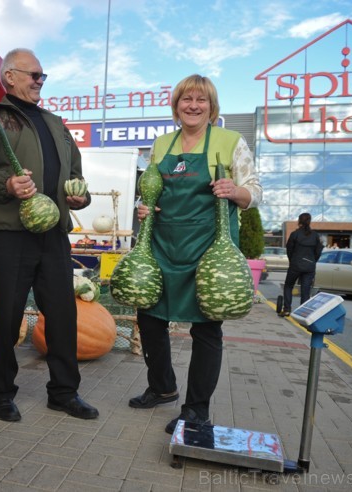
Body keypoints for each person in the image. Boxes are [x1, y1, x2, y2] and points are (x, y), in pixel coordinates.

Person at [0, 48, 99, 422]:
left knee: (63, 314)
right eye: (34, 75)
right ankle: (0, 392)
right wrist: (7, 184)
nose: (40, 81)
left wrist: (79, 196)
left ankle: (64, 392)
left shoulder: (57, 124)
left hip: (53, 231)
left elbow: (78, 179)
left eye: (43, 76)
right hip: (9, 233)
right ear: (10, 76)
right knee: (6, 315)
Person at [128, 75, 263, 435]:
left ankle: (196, 410)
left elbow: (255, 192)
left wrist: (235, 190)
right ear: (176, 106)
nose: (193, 105)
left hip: (209, 248)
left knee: (205, 329)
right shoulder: (161, 145)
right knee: (150, 319)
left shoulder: (230, 141)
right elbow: (151, 192)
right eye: (186, 99)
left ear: (211, 107)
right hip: (163, 244)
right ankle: (162, 387)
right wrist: (146, 208)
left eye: (200, 100)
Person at [279, 213, 324, 316]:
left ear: (299, 221)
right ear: (309, 221)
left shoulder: (295, 234)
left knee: (288, 286)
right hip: (309, 266)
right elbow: (318, 252)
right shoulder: (315, 235)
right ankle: (302, 313)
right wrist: (313, 261)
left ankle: (286, 309)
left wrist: (293, 260)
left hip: (295, 265)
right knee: (305, 290)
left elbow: (289, 250)